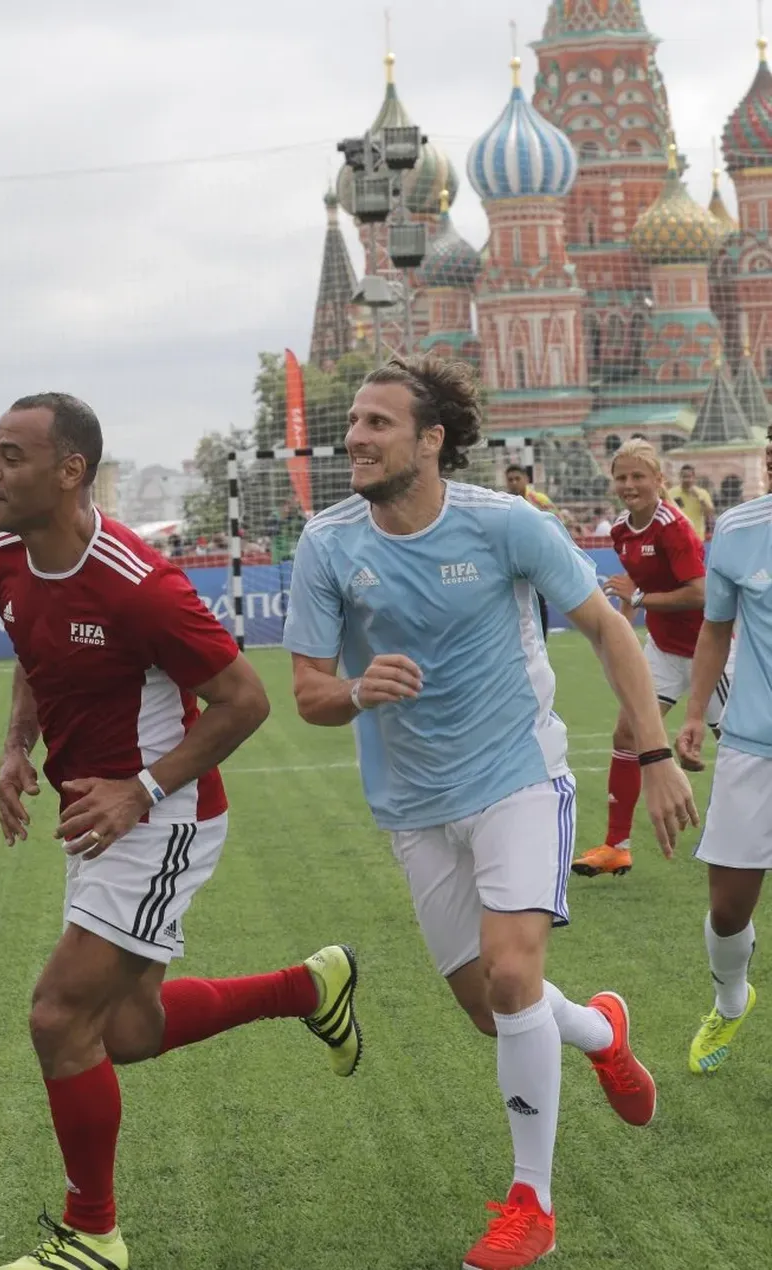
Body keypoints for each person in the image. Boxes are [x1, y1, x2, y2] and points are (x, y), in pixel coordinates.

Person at [282, 354, 696, 1270]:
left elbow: (607, 627)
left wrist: (656, 752)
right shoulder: (328, 543)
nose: (356, 436)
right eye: (353, 421)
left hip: (518, 776)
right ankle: (599, 1032)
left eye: (379, 423)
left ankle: (531, 1203)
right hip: (411, 805)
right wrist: (357, 691)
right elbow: (307, 691)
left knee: (512, 979)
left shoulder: (507, 523)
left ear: (431, 441)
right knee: (490, 1009)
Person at [0, 392, 361, 1270]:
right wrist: (13, 751)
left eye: (9, 455)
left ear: (70, 472)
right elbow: (31, 655)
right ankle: (310, 988)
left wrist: (140, 792)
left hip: (164, 818)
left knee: (58, 1015)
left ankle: (93, 1234)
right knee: (127, 1033)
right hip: (101, 819)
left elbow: (246, 700)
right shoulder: (1, 561)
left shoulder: (141, 584)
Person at [572, 440, 727, 880]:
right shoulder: (621, 530)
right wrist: (620, 629)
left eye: (639, 476)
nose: (629, 485)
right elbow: (632, 593)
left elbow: (700, 593)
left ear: (660, 480)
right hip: (661, 649)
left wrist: (638, 598)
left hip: (705, 651)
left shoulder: (674, 528)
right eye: (621, 477)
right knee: (626, 732)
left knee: (739, 745)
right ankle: (616, 846)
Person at [674, 478, 771, 1075]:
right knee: (729, 907)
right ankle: (732, 998)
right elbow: (715, 629)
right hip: (753, 746)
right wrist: (692, 714)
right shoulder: (738, 528)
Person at [505, 464, 556, 638]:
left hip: (537, 557)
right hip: (512, 559)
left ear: (526, 479)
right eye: (510, 479)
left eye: (517, 478)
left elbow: (557, 522)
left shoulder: (538, 499)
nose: (513, 483)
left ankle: (543, 640)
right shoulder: (502, 501)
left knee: (539, 600)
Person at [671, 463, 715, 541]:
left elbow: (709, 513)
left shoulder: (702, 493)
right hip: (677, 537)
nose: (687, 480)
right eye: (684, 477)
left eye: (689, 477)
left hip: (696, 537)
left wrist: (699, 498)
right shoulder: (671, 493)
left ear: (694, 478)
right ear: (680, 477)